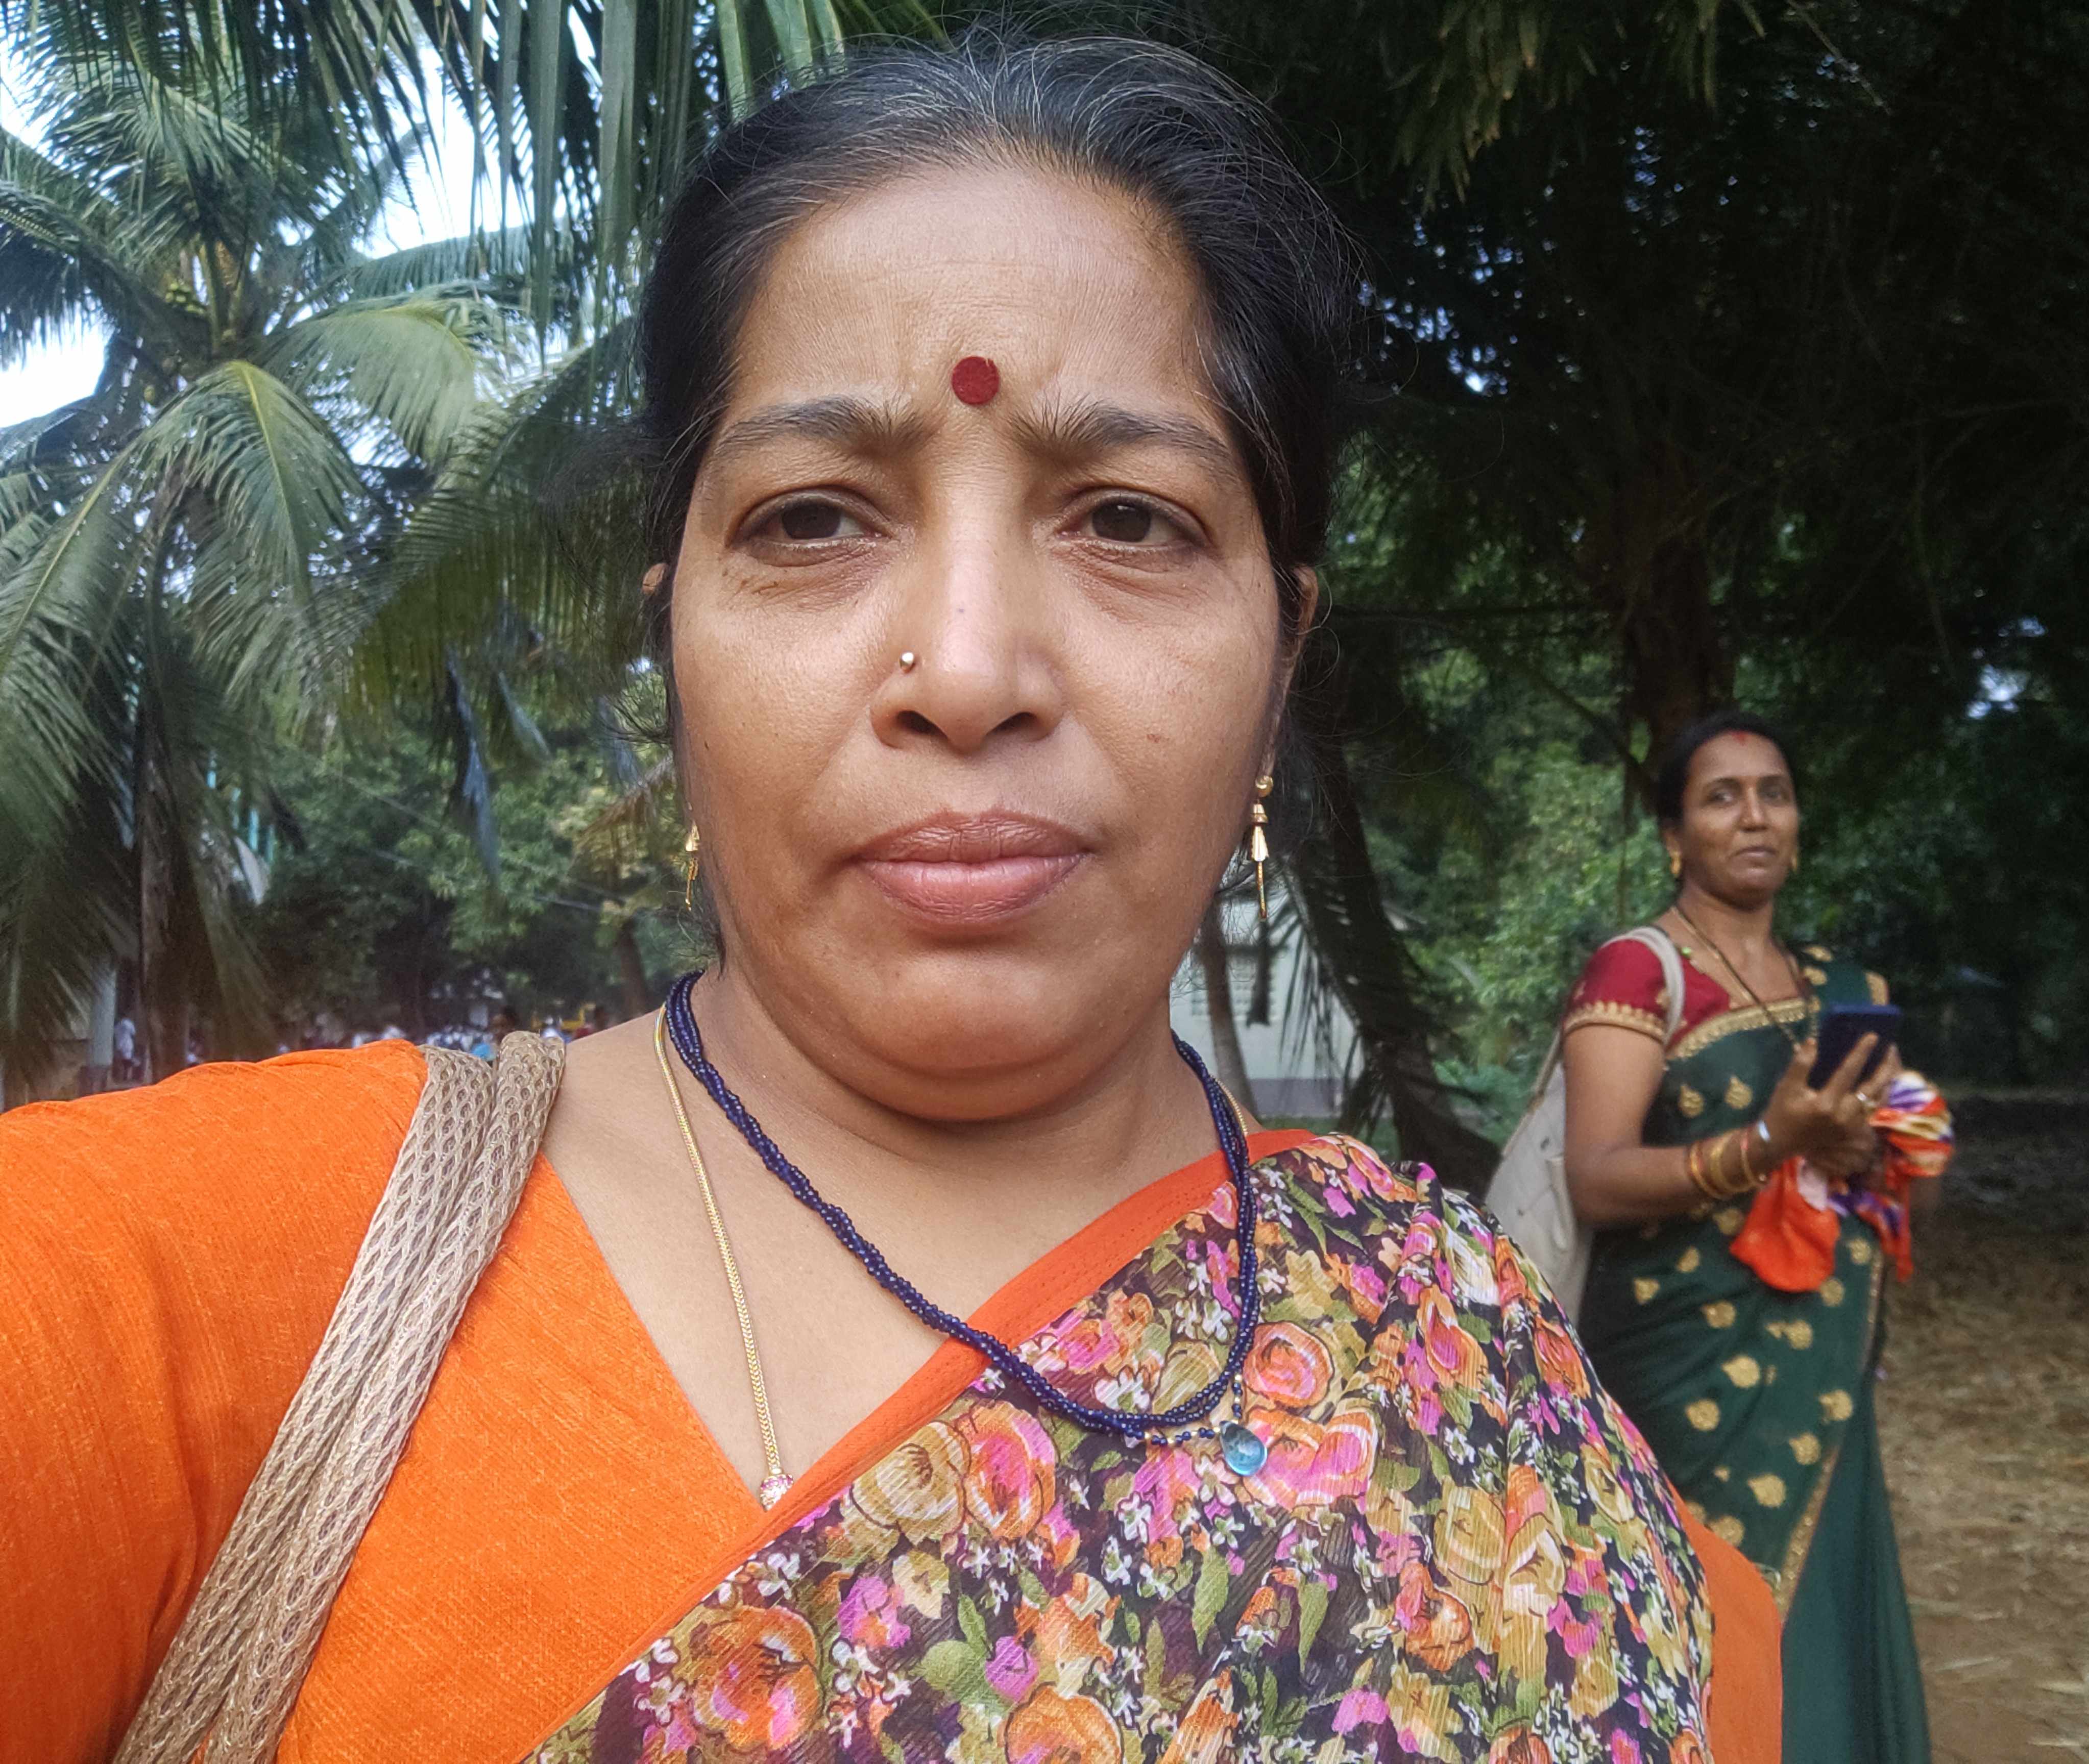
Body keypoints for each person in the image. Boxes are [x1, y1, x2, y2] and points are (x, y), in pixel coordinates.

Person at [0, 39, 1778, 1762]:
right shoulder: (167, 1294)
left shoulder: (1498, 1421)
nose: (971, 671)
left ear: (1283, 652)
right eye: (814, 520)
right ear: (676, 646)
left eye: (1128, 520)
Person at [1560, 708, 1952, 1764]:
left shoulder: (1849, 994)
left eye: (1774, 794)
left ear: (1798, 823)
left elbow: (1905, 1204)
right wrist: (1773, 1140)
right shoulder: (1641, 974)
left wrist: (1877, 1156)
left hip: (1821, 1378)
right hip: (1678, 1373)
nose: (1754, 817)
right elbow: (1596, 1177)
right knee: (1693, 1630)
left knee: (1817, 1631)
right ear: (1673, 836)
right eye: (1721, 797)